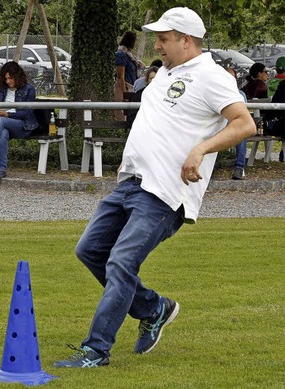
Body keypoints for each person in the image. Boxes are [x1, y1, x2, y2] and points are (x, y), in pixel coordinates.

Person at [53, 7, 255, 368]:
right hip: (130, 184)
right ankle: (154, 307)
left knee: (121, 263)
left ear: (186, 40)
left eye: (164, 39)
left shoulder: (212, 76)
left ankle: (95, 351)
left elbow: (244, 124)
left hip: (166, 193)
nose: (157, 46)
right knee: (89, 251)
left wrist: (201, 149)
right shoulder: (163, 74)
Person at [224, 66, 249, 180]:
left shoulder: (240, 94)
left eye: (232, 78)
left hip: (233, 126)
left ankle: (239, 167)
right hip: (217, 127)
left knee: (242, 133)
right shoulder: (215, 92)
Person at [114, 31, 145, 120]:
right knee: (122, 113)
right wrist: (125, 94)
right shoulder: (121, 54)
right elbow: (120, 76)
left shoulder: (130, 55)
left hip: (132, 86)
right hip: (124, 87)